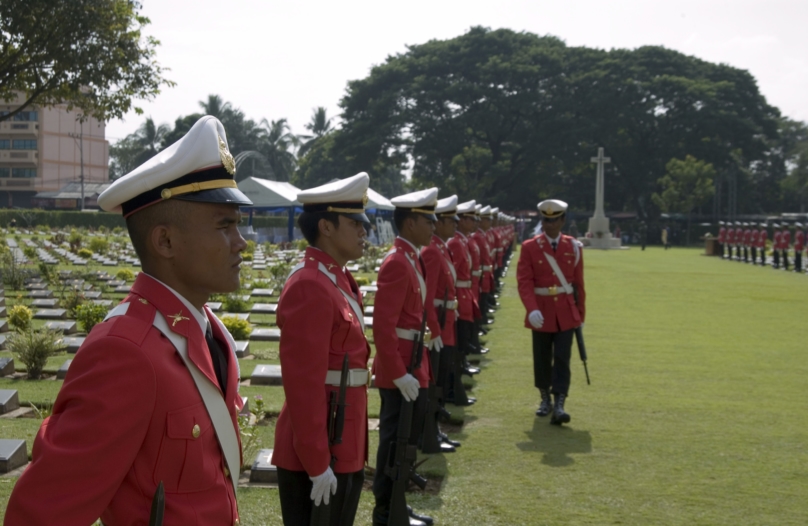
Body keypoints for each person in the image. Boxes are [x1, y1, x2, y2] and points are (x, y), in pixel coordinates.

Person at [6, 116, 250, 524]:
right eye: (225, 226)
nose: (241, 242)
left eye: (238, 225)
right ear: (165, 241)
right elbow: (40, 513)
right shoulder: (126, 352)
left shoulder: (207, 331)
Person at [271, 172, 372, 526]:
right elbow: (303, 382)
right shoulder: (311, 285)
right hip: (319, 448)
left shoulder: (336, 277)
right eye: (356, 222)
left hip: (342, 436)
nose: (365, 230)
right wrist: (317, 462)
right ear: (326, 227)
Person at [371, 188, 438, 526]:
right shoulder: (398, 262)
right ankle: (385, 510)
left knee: (407, 440)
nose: (434, 226)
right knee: (394, 441)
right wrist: (398, 373)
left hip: (414, 361)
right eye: (429, 220)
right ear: (410, 223)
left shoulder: (412, 258)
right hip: (401, 366)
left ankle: (399, 503)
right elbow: (383, 325)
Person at [516, 199, 586, 425]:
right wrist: (531, 309)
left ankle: (560, 403)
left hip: (566, 312)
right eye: (546, 220)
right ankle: (544, 398)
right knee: (542, 357)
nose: (550, 225)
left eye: (555, 220)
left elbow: (579, 284)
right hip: (542, 311)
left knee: (563, 358)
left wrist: (581, 315)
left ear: (563, 221)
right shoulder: (529, 246)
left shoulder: (573, 247)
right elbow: (524, 282)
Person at [420, 194, 462, 452]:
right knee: (435, 386)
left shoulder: (440, 248)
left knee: (440, 383)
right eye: (451, 222)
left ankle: (436, 430)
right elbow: (428, 297)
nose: (455, 226)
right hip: (439, 328)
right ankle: (430, 433)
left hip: (446, 325)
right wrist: (434, 330)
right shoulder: (432, 252)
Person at [445, 200, 479, 406]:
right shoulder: (455, 243)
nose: (474, 223)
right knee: (455, 350)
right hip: (460, 297)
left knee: (460, 346)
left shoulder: (461, 241)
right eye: (471, 219)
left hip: (466, 294)